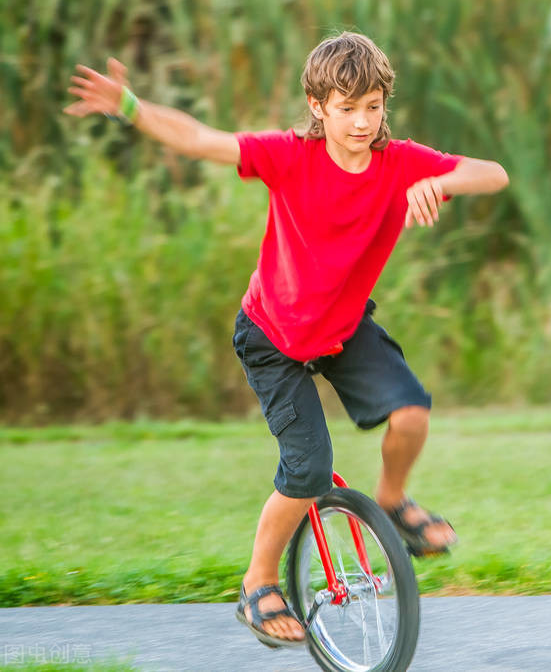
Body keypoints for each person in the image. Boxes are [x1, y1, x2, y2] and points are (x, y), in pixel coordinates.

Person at [65, 32, 509, 648]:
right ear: (317, 104)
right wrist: (132, 107)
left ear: (386, 105)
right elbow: (198, 139)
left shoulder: (400, 162)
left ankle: (392, 504)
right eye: (347, 107)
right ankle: (258, 582)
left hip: (342, 328)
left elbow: (494, 173)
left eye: (373, 106)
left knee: (411, 413)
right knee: (308, 470)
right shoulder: (288, 156)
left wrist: (441, 183)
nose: (361, 121)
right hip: (273, 338)